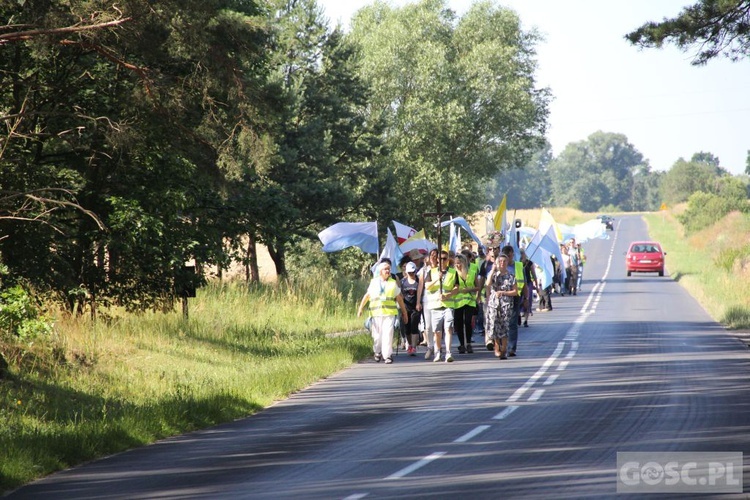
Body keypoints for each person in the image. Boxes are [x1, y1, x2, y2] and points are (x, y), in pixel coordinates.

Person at [358, 261, 409, 364]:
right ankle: (377, 352)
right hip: (376, 314)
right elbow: (367, 296)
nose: (388, 271)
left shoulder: (392, 283)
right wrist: (360, 308)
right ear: (380, 271)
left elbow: (399, 299)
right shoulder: (374, 282)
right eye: (385, 269)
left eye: (389, 269)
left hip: (389, 314)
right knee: (377, 336)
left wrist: (404, 313)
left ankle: (387, 355)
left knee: (388, 334)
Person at [420, 249, 458, 362]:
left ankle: (448, 352)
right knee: (437, 331)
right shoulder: (431, 272)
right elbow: (427, 286)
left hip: (448, 305)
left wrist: (448, 295)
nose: (442, 261)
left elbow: (456, 288)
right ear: (437, 260)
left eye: (444, 259)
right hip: (435, 306)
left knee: (448, 328)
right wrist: (437, 278)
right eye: (440, 259)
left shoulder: (453, 272)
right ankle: (437, 352)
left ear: (447, 260)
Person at [484, 253, 517, 359]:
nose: (502, 263)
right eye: (500, 261)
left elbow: (515, 291)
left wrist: (503, 293)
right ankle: (497, 348)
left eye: (504, 261)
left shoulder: (511, 276)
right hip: (494, 304)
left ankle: (504, 349)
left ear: (507, 263)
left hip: (506, 304)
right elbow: (488, 284)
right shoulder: (494, 275)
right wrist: (493, 270)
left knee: (505, 326)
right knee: (495, 326)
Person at [453, 254, 479, 354]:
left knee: (468, 322)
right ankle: (462, 344)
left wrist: (469, 289)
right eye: (456, 264)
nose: (457, 265)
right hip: (457, 302)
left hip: (469, 301)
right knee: (458, 323)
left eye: (459, 263)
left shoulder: (472, 272)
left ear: (464, 263)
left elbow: (477, 287)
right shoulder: (453, 273)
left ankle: (468, 343)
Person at [501, 245, 523, 357]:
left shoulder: (518, 266)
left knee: (512, 322)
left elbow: (524, 282)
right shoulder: (500, 266)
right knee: (502, 322)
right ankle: (501, 346)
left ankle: (511, 348)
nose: (510, 258)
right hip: (502, 298)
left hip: (515, 296)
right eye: (508, 256)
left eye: (511, 255)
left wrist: (527, 298)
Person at [416, 248, 439, 357]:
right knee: (428, 326)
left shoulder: (441, 269)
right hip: (427, 300)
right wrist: (418, 301)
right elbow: (420, 285)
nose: (433, 257)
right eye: (432, 255)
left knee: (437, 326)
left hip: (438, 300)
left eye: (436, 255)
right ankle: (430, 346)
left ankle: (437, 346)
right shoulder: (424, 270)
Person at [400, 261, 421, 356]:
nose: (411, 274)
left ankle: (413, 346)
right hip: (406, 308)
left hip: (415, 308)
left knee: (414, 327)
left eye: (413, 272)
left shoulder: (418, 282)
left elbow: (421, 293)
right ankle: (409, 345)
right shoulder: (403, 282)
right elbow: (400, 295)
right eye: (409, 272)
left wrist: (419, 303)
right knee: (407, 329)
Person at [519, 249, 537, 327]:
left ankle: (526, 320)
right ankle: (518, 316)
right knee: (519, 301)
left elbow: (533, 273)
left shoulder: (529, 263)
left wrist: (536, 284)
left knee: (528, 300)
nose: (521, 254)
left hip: (528, 283)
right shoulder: (516, 263)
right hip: (519, 284)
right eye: (520, 253)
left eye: (522, 253)